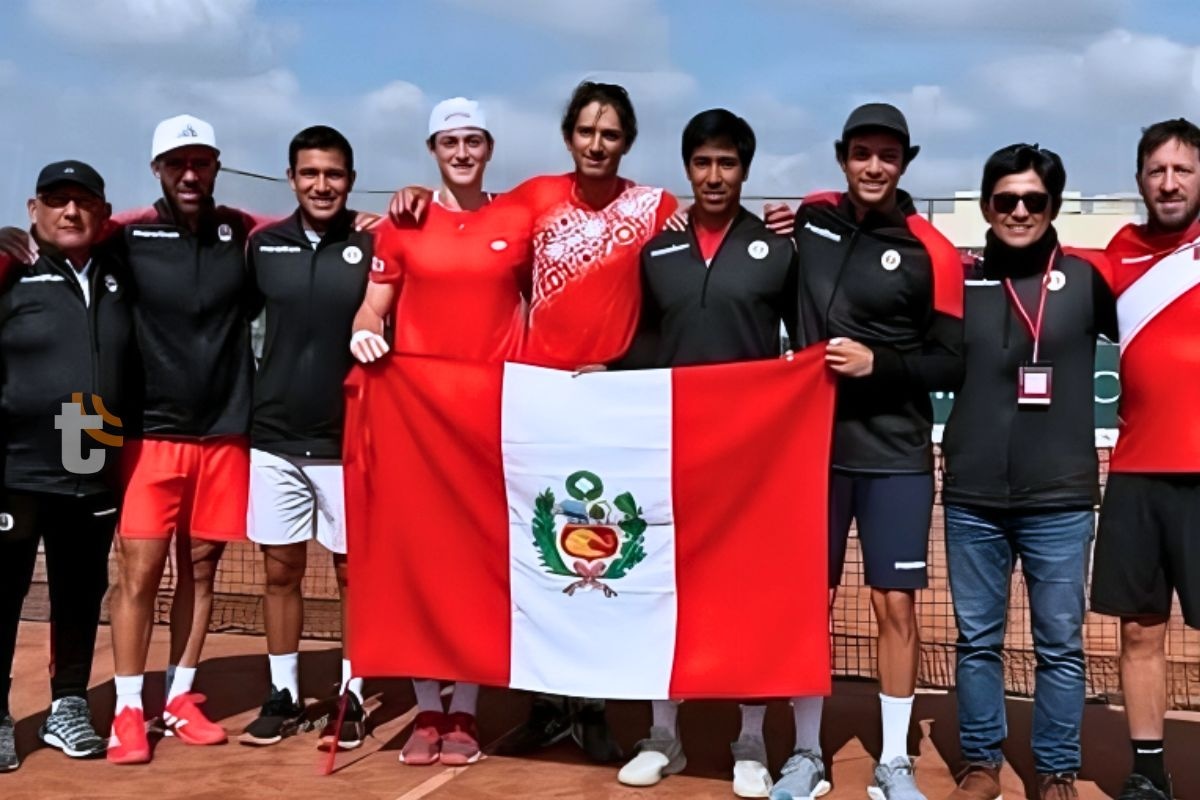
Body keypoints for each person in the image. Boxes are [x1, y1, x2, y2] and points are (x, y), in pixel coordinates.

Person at [390, 81, 678, 762]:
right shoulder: (534, 198)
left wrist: (800, 211)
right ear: (569, 136)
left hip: (615, 398)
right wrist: (408, 197)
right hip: (535, 399)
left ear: (626, 141)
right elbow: (462, 217)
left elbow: (705, 234)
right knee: (544, 547)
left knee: (605, 549)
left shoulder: (654, 206)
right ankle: (547, 702)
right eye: (585, 131)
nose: (596, 144)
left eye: (609, 134)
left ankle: (596, 703)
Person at [776, 103, 964, 800]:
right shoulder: (811, 217)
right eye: (862, 153)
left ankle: (892, 761)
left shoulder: (932, 250)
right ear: (842, 156)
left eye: (888, 155)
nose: (875, 166)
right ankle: (803, 753)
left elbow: (951, 364)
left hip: (895, 457)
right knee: (805, 603)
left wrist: (879, 364)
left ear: (906, 161)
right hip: (810, 453)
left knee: (895, 607)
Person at [614, 108, 798, 798]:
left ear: (744, 170)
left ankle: (750, 738)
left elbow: (804, 349)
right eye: (702, 163)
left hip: (754, 459)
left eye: (727, 163)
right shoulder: (656, 252)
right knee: (666, 591)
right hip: (670, 453)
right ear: (687, 169)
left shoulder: (779, 248)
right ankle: (666, 734)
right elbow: (642, 345)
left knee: (748, 594)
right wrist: (601, 375)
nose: (714, 176)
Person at [350, 97, 530, 766]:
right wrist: (365, 334)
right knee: (421, 567)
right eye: (449, 141)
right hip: (418, 427)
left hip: (493, 424)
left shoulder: (519, 218)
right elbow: (373, 308)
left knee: (483, 566)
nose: (461, 152)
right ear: (432, 151)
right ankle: (428, 706)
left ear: (488, 149)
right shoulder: (403, 223)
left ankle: (468, 713)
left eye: (473, 140)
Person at [940, 144, 1116, 800]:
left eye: (1033, 200)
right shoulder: (958, 280)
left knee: (1061, 646)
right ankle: (981, 762)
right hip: (971, 497)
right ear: (987, 205)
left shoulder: (1091, 282)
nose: (1019, 211)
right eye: (1006, 199)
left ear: (1054, 207)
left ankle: (1056, 770)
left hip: (1062, 497)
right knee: (976, 640)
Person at [100, 115, 258, 764]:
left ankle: (181, 696)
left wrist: (371, 223)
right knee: (138, 572)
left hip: (224, 431)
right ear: (158, 169)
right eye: (176, 163)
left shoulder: (242, 233)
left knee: (202, 566)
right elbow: (63, 243)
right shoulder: (125, 236)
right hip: (146, 433)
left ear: (216, 166)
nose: (189, 174)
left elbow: (305, 235)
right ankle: (129, 709)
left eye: (201, 162)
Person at [0, 161, 137, 771]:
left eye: (84, 202)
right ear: (34, 210)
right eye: (57, 201)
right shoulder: (11, 269)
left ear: (103, 215)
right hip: (14, 464)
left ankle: (68, 705)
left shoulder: (120, 270)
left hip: (88, 449)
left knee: (80, 593)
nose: (70, 212)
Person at [238, 126, 371, 751]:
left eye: (335, 174)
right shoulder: (261, 247)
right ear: (291, 178)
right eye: (311, 173)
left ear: (350, 179)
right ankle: (283, 693)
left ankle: (352, 694)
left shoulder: (372, 243)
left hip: (349, 441)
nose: (323, 185)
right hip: (273, 440)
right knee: (280, 569)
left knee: (354, 575)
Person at [1090, 117, 1200, 800]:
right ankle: (1149, 768)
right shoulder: (1117, 254)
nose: (1169, 183)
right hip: (1135, 474)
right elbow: (1027, 256)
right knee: (1139, 630)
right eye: (1157, 171)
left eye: (1182, 170)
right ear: (1139, 180)